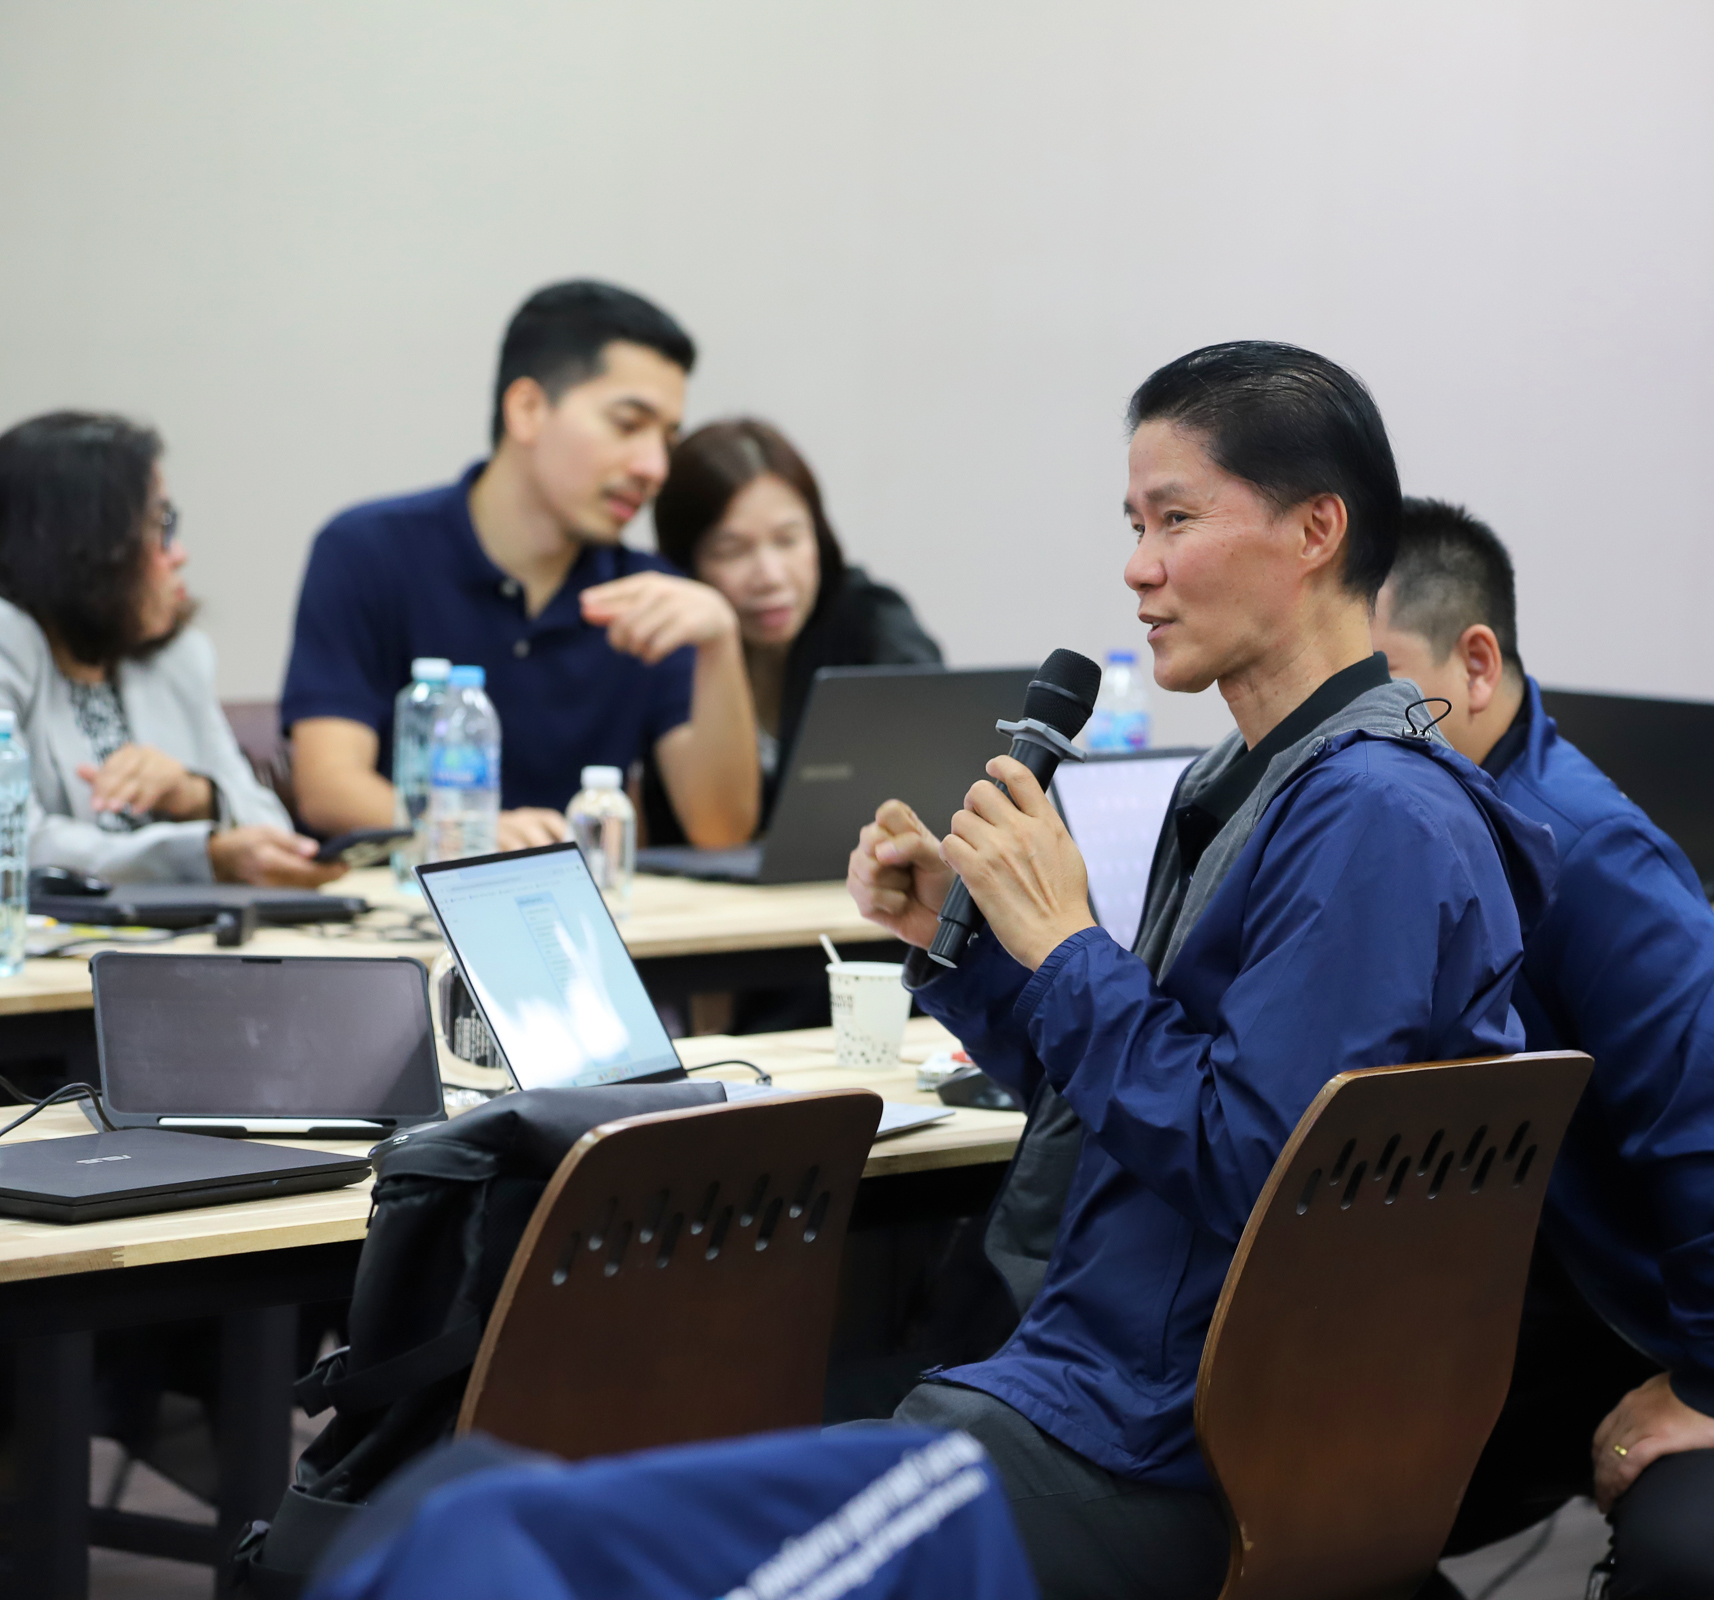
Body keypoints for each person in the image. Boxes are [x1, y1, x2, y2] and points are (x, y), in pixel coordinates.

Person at [843, 343, 1552, 1600]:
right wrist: (989, 943)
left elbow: (1249, 1164)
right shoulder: (1252, 781)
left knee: (751, 1509)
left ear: (1316, 531)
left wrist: (1068, 945)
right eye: (1134, 525)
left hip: (1186, 1430)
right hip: (1133, 1371)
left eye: (1176, 520)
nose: (1138, 566)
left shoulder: (1373, 820)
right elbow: (1132, 1103)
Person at [1370, 498, 1714, 1600]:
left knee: (1682, 1566)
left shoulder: (1590, 855)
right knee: (1298, 1511)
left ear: (1476, 665)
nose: (1346, 723)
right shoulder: (1406, 825)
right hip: (1557, 1320)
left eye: (1377, 682)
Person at [280, 280, 758, 851]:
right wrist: (472, 836)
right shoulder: (367, 550)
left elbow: (721, 830)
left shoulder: (646, 595)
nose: (654, 468)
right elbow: (328, 787)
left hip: (576, 899)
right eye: (628, 425)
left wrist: (720, 643)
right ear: (528, 410)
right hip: (403, 894)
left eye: (668, 441)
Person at [0, 412, 344, 886]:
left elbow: (274, 835)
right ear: (85, 543)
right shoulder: (9, 641)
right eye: (159, 525)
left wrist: (195, 796)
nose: (179, 554)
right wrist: (203, 856)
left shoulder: (174, 658)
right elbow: (16, 844)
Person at [646, 418, 940, 845]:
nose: (770, 576)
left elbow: (933, 736)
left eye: (788, 540)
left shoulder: (869, 617)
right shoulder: (666, 649)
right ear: (684, 565)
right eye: (731, 551)